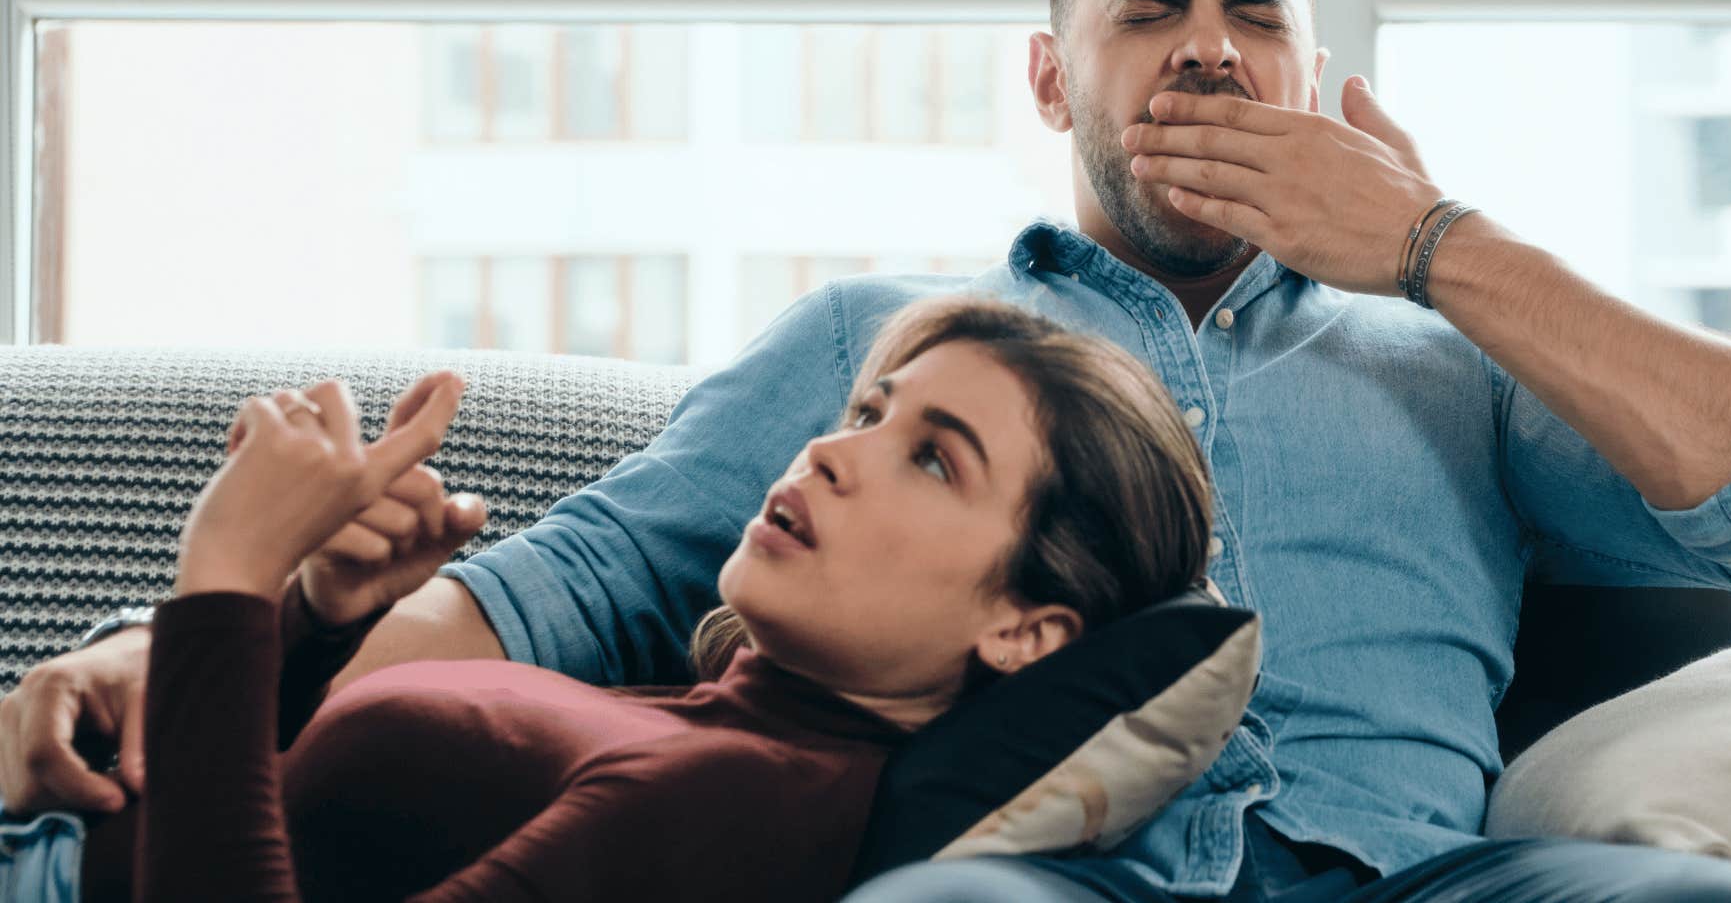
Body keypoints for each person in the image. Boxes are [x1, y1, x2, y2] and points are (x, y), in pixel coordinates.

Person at [1, 0, 1731, 903]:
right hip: (1045, 877)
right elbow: (570, 583)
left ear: (1319, 73)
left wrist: (1437, 247)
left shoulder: (1450, 355)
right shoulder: (871, 344)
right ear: (1051, 73)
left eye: (1258, 15)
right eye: (1148, 10)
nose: (1210, 52)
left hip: (1421, 884)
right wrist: (175, 679)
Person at [55, 295, 1213, 902]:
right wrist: (319, 621)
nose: (828, 452)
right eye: (867, 412)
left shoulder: (741, 799)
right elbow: (300, 830)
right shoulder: (723, 719)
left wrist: (225, 583)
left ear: (1023, 628)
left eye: (932, 458)